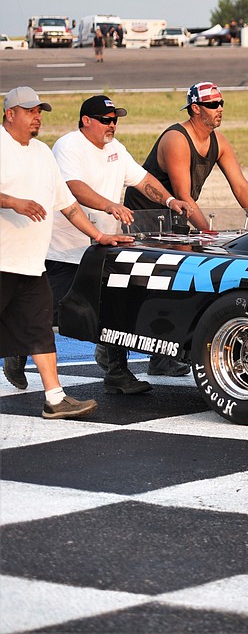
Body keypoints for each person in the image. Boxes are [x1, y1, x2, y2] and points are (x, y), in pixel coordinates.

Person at [7, 95, 194, 394]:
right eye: (106, 120)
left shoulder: (116, 149)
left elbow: (143, 179)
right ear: (86, 121)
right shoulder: (68, 146)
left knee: (113, 309)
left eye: (115, 120)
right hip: (65, 250)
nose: (113, 126)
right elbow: (73, 187)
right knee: (50, 313)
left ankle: (117, 373)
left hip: (104, 246)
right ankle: (17, 351)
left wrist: (171, 200)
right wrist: (110, 206)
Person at [1, 87, 132, 417]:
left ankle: (55, 398)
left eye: (40, 112)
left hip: (31, 265)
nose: (37, 117)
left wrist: (99, 235)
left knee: (42, 330)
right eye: (30, 111)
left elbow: (69, 206)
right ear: (9, 114)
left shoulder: (43, 153)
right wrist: (13, 202)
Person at [123, 81, 248, 376]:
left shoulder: (219, 141)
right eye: (213, 105)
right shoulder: (177, 139)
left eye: (222, 103)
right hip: (147, 216)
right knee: (148, 286)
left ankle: (161, 356)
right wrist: (208, 233)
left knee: (177, 284)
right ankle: (116, 356)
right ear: (195, 109)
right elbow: (184, 195)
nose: (220, 109)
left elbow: (239, 184)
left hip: (176, 216)